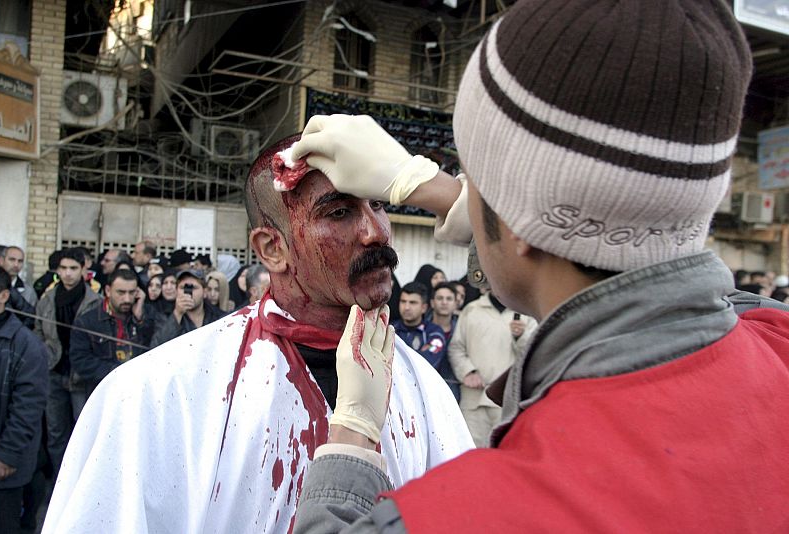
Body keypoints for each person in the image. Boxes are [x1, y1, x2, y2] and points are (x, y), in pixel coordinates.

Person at [290, 0, 789, 530]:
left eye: (472, 177)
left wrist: (353, 431)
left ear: (521, 223)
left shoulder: (497, 510)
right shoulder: (774, 339)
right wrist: (462, 199)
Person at [42, 134, 472, 533]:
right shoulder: (158, 394)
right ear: (272, 248)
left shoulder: (424, 386)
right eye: (339, 212)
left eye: (379, 205)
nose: (375, 231)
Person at [0, 267, 49, 534]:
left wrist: (8, 453)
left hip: (3, 467)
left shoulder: (25, 345)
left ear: (3, 295)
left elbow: (28, 406)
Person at [35, 248, 101, 477]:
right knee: (55, 433)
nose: (67, 274)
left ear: (83, 269)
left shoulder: (95, 301)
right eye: (63, 268)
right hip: (54, 372)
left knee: (83, 432)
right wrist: (46, 354)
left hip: (81, 376)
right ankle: (57, 480)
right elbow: (38, 331)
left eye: (73, 268)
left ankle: (80, 480)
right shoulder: (48, 299)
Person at [448, 289, 536, 447]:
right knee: (470, 455)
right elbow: (456, 348)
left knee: (507, 457)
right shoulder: (472, 309)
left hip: (509, 402)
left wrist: (520, 337)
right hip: (474, 400)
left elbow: (534, 353)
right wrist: (468, 371)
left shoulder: (527, 312)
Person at [70, 269, 154, 395]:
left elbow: (152, 348)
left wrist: (139, 320)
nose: (127, 299)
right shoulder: (87, 321)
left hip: (137, 390)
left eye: (131, 293)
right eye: (121, 292)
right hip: (100, 391)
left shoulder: (144, 316)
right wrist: (115, 371)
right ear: (108, 291)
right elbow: (81, 360)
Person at [149, 269, 226, 347]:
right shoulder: (164, 316)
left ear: (204, 292)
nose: (188, 293)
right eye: (183, 288)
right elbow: (155, 347)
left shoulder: (218, 317)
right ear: (176, 291)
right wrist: (177, 314)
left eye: (194, 288)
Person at [391, 282, 446, 369]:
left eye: (413, 303)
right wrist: (418, 353)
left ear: (424, 307)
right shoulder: (389, 329)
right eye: (403, 301)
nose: (406, 307)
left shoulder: (435, 333)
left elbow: (426, 365)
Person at [429, 282, 461, 400]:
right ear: (432, 303)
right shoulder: (421, 329)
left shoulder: (461, 329)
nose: (444, 302)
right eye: (440, 298)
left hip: (453, 392)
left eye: (449, 299)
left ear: (456, 304)